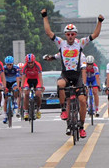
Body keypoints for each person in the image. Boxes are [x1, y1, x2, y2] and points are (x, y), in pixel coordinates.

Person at [41, 8, 104, 139]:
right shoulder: (61, 44)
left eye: (72, 34)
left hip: (77, 76)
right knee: (60, 84)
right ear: (65, 35)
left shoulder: (80, 43)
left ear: (75, 35)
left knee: (82, 101)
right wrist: (45, 16)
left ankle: (81, 127)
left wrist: (100, 21)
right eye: (68, 34)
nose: (70, 36)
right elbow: (48, 32)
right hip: (66, 74)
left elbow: (95, 35)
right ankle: (63, 110)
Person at [21, 53, 44, 121]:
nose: (30, 64)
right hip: (28, 80)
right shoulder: (25, 67)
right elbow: (23, 78)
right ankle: (26, 111)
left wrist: (41, 87)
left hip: (36, 80)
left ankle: (38, 109)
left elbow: (40, 77)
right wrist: (22, 87)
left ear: (34, 61)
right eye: (29, 63)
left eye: (31, 63)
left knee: (38, 94)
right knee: (26, 93)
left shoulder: (38, 65)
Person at [2, 56, 21, 123]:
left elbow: (18, 77)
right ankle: (5, 116)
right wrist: (3, 87)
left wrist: (18, 87)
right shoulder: (3, 68)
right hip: (6, 82)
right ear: (5, 64)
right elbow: (1, 77)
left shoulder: (16, 68)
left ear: (12, 64)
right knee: (6, 99)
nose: (9, 66)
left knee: (16, 88)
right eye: (7, 64)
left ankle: (15, 101)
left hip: (14, 81)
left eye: (10, 64)